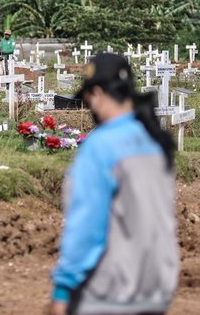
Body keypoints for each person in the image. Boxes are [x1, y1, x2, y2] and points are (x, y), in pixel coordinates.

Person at [50, 53, 179, 315]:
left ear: (96, 93)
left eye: (87, 99)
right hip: (157, 286)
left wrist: (63, 289)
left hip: (111, 290)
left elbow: (87, 225)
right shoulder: (154, 141)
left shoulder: (100, 147)